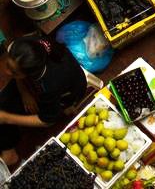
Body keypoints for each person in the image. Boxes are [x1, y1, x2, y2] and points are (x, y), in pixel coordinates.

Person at [0, 35, 89, 167]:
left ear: (30, 74)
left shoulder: (51, 83)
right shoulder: (23, 46)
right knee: (3, 102)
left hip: (68, 95)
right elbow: (18, 73)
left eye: (13, 72)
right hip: (36, 83)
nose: (6, 72)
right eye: (8, 64)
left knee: (8, 112)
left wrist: (7, 118)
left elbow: (47, 120)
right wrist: (24, 92)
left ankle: (11, 155)